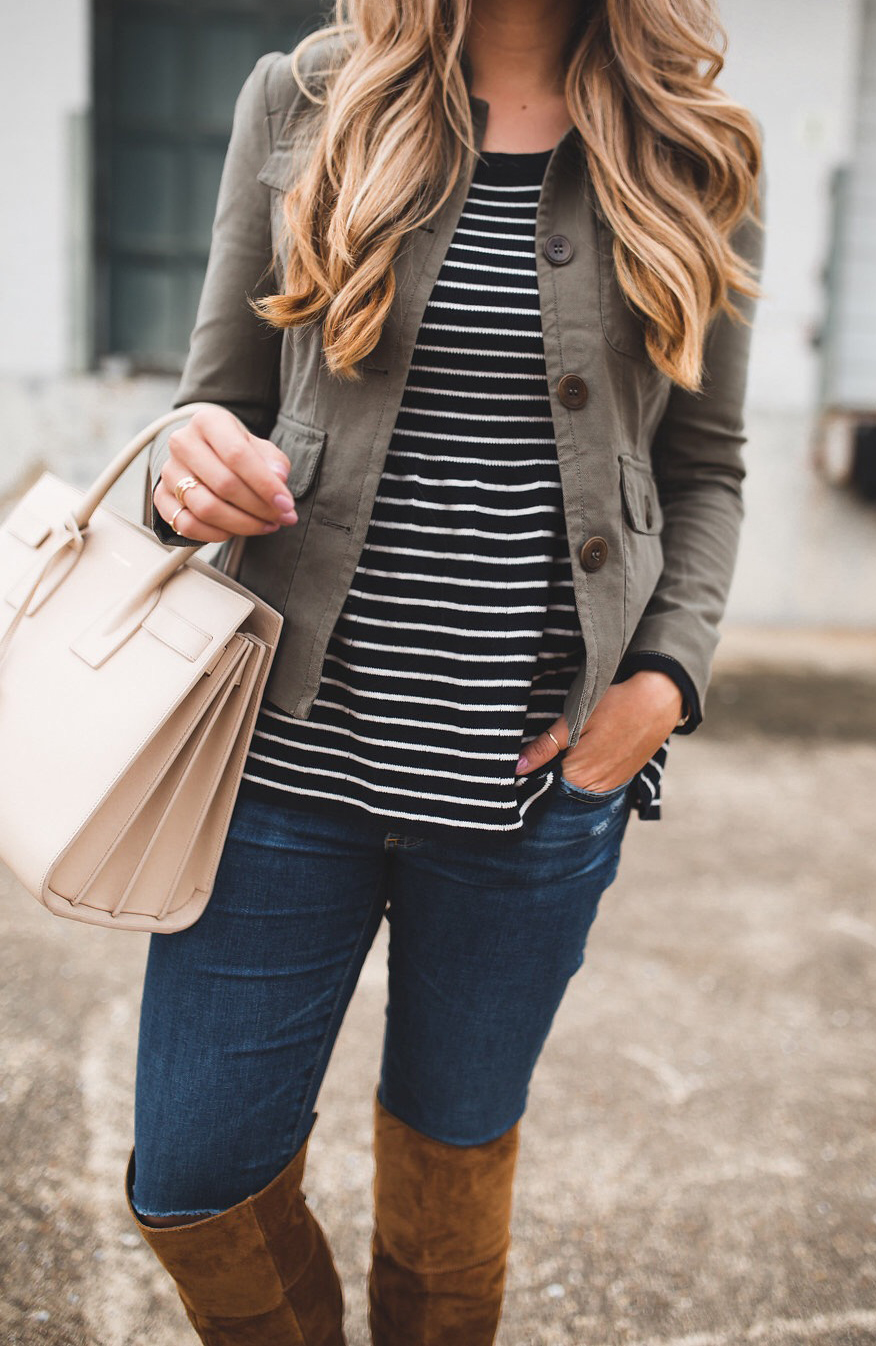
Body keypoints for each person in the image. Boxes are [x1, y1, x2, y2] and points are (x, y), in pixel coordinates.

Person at [125, 0, 764, 1342]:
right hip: (280, 772)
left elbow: (703, 467)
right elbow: (215, 399)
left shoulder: (696, 149)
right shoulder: (299, 100)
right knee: (193, 1177)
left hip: (531, 800)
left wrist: (659, 682)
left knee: (452, 1168)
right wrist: (188, 463)